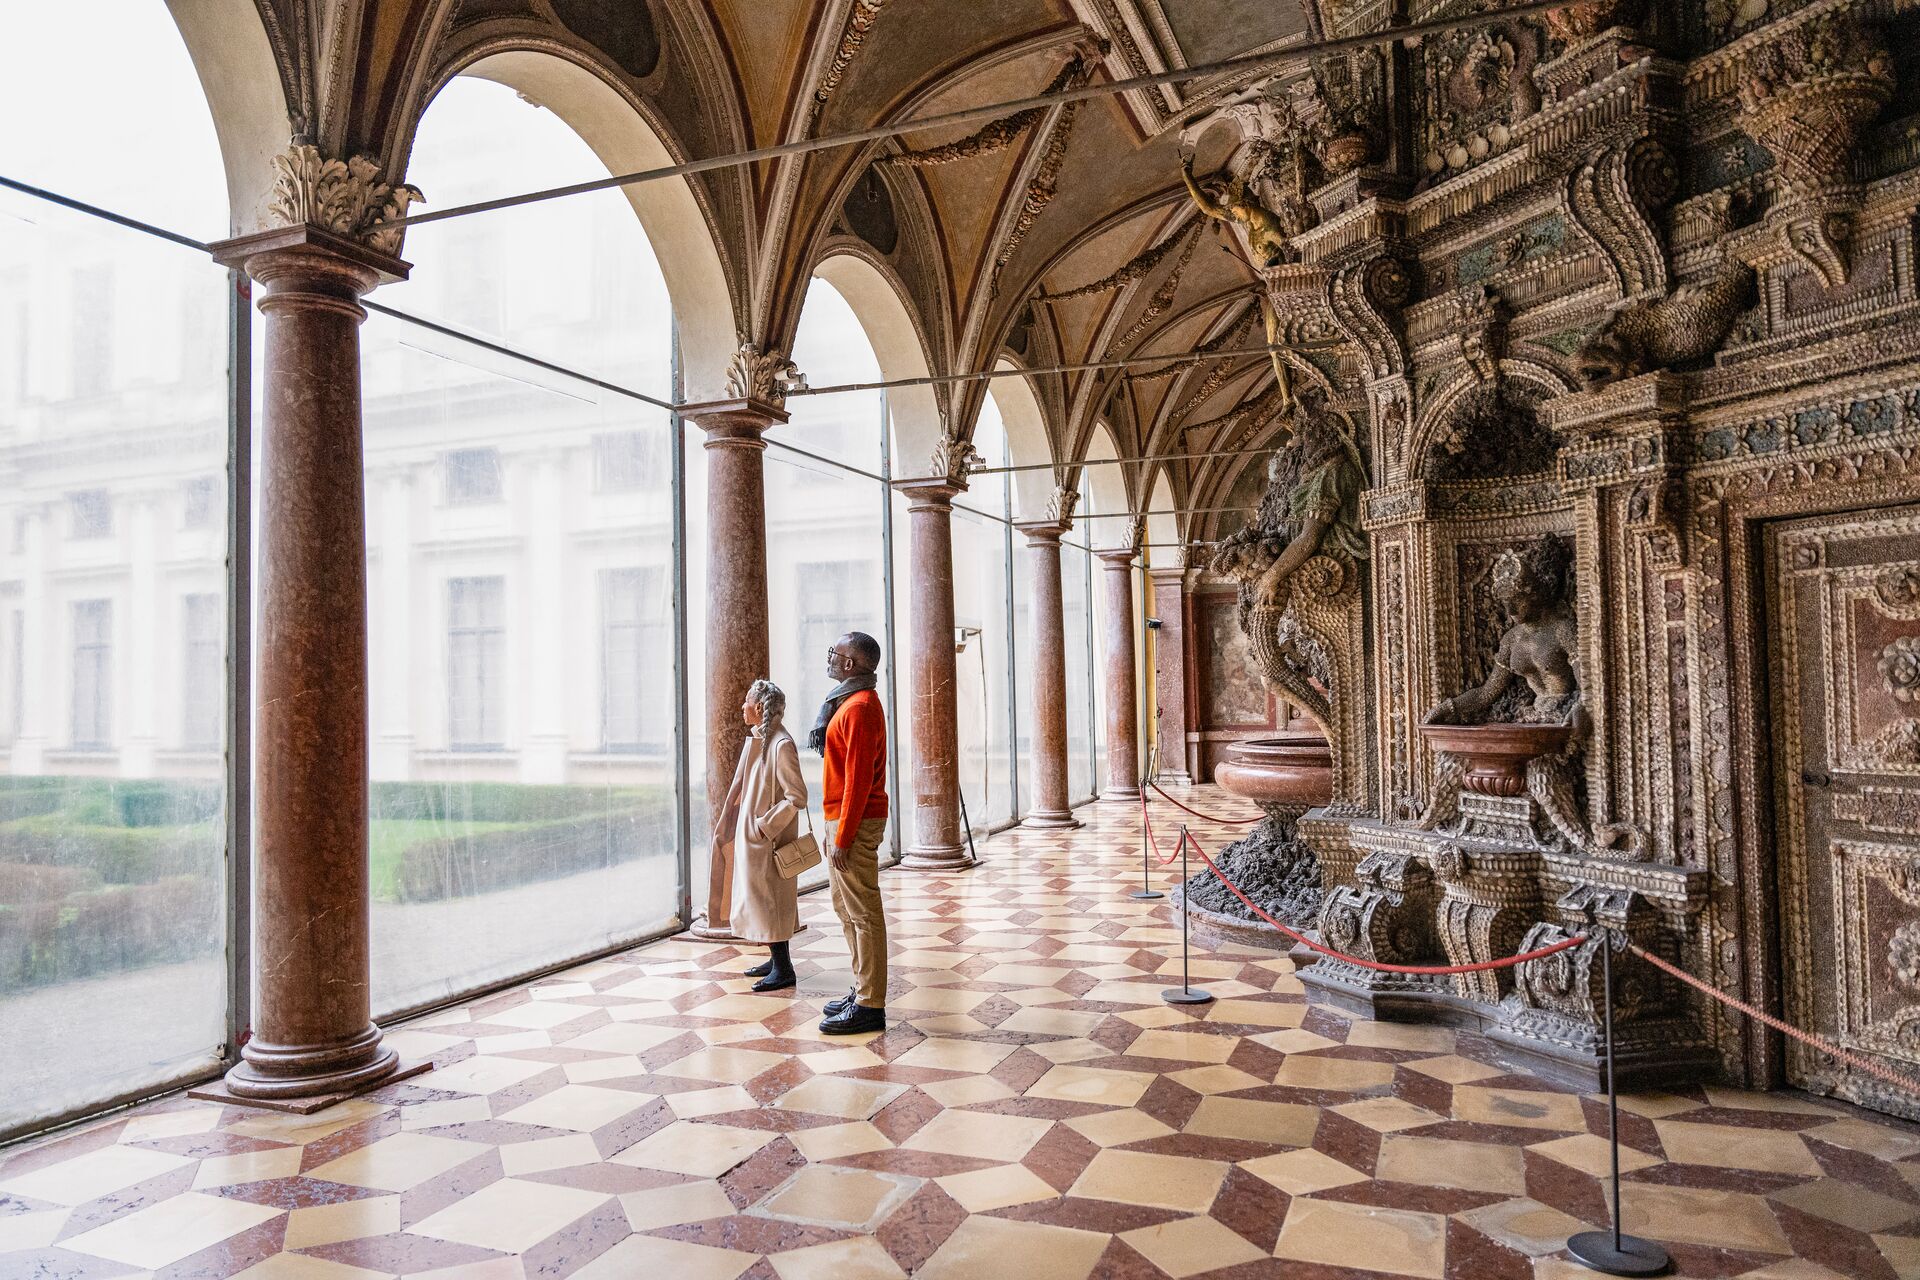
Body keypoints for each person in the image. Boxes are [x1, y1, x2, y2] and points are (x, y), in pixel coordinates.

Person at [811, 631, 889, 1034]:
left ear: (849, 665)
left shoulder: (859, 708)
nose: (829, 657)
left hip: (853, 820)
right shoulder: (848, 702)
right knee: (846, 909)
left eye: (835, 652)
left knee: (863, 912)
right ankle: (861, 988)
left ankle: (871, 1004)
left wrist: (842, 838)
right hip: (841, 817)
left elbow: (859, 780)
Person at [715, 679, 808, 992]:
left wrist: (765, 826)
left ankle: (784, 969)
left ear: (759, 708)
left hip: (768, 841)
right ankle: (775, 961)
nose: (742, 707)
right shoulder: (761, 741)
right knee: (760, 902)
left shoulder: (781, 745)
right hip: (755, 842)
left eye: (746, 702)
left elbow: (797, 796)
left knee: (771, 903)